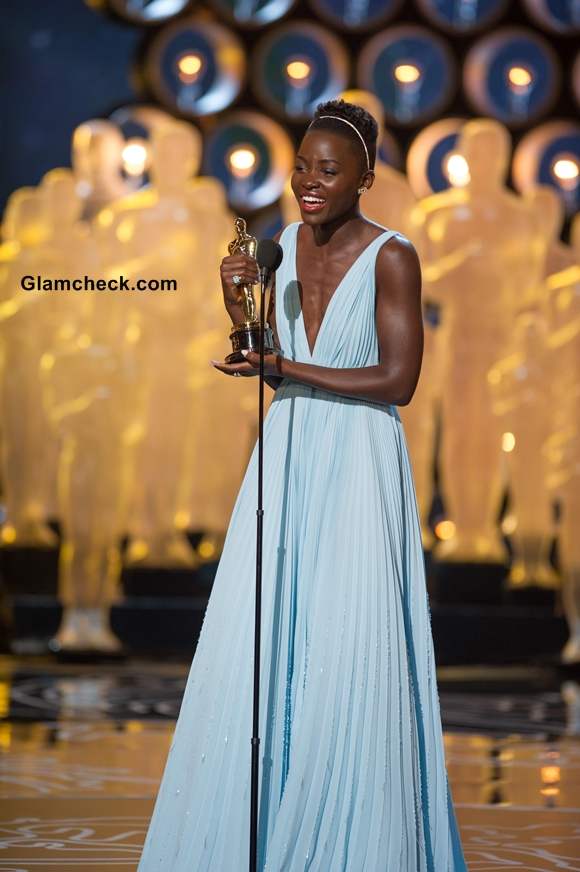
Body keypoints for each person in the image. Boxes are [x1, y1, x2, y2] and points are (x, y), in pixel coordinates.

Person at [138, 98, 468, 871]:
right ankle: (269, 820)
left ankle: (353, 833)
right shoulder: (281, 245)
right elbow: (270, 351)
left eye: (329, 170)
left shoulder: (394, 255)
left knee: (350, 632)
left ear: (366, 178)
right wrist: (237, 309)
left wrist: (283, 368)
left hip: (358, 456)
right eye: (301, 168)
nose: (309, 184)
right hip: (287, 449)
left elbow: (398, 378)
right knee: (275, 626)